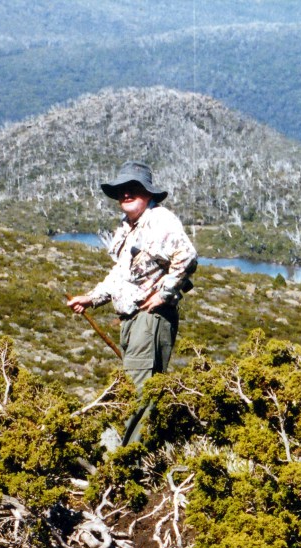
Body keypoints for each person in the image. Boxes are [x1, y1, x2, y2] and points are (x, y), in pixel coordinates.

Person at [67, 160, 197, 446]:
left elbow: (186, 257)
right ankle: (135, 450)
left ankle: (129, 460)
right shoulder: (128, 227)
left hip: (149, 319)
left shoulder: (160, 220)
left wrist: (163, 293)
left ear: (148, 193)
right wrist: (92, 298)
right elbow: (121, 274)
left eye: (133, 189)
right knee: (136, 385)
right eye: (122, 190)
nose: (126, 195)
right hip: (131, 320)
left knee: (139, 389)